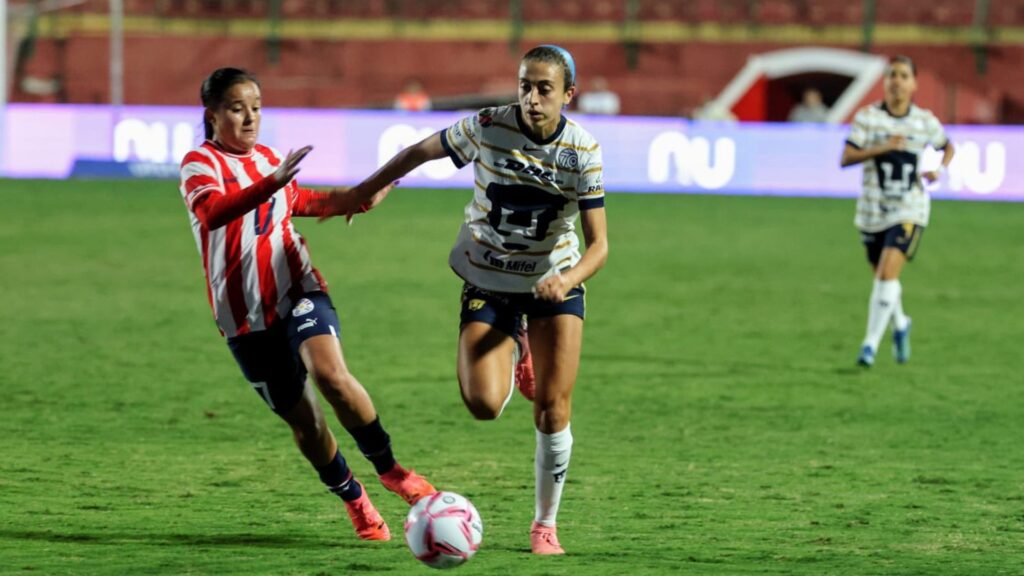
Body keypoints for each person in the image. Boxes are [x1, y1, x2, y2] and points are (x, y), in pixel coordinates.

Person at [330, 45, 608, 555]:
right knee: (482, 405)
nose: (531, 97)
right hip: (488, 279)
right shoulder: (488, 126)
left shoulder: (582, 151)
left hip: (552, 281)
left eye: (544, 88)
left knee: (552, 408)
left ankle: (544, 525)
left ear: (569, 94)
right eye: (525, 85)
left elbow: (601, 247)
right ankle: (517, 344)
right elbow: (419, 150)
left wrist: (567, 281)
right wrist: (366, 190)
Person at [177, 67, 435, 541]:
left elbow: (306, 203)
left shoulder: (271, 159)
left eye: (255, 107)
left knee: (330, 374)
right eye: (237, 109)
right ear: (213, 115)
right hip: (244, 320)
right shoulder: (200, 163)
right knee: (308, 422)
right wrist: (273, 182)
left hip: (296, 288)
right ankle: (354, 497)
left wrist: (356, 200)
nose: (250, 117)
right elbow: (213, 213)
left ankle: (392, 470)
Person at [840, 56, 955, 367]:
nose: (897, 81)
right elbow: (846, 157)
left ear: (914, 84)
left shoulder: (924, 121)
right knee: (883, 278)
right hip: (873, 210)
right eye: (892, 74)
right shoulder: (868, 118)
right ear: (885, 82)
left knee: (887, 273)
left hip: (910, 207)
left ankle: (869, 346)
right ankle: (901, 323)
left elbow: (948, 146)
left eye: (904, 75)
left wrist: (938, 170)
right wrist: (883, 147)